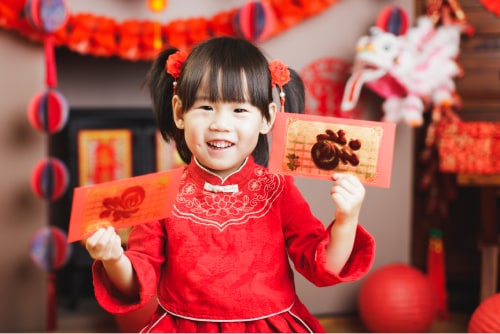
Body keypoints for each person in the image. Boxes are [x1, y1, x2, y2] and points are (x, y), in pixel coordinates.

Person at [84, 36, 375, 333]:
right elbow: (138, 278)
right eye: (206, 107)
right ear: (179, 112)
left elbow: (321, 264)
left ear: (267, 119)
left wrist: (346, 219)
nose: (220, 124)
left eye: (239, 110)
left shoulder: (278, 189)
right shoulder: (162, 193)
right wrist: (113, 257)